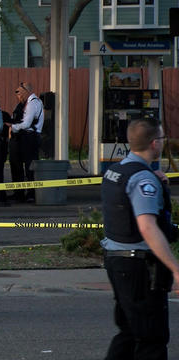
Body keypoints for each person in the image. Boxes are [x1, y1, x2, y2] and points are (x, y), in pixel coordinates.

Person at [101, 117, 179, 359]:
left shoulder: (117, 171)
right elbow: (147, 227)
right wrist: (175, 269)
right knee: (151, 339)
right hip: (140, 267)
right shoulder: (143, 180)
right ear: (155, 143)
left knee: (128, 333)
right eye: (163, 138)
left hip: (117, 260)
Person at [7, 82, 43, 203]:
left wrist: (13, 127)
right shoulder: (21, 105)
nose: (18, 96)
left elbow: (27, 124)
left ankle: (31, 194)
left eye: (20, 93)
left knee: (29, 166)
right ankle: (19, 193)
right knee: (15, 165)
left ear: (26, 91)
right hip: (19, 139)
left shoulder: (33, 103)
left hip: (29, 137)